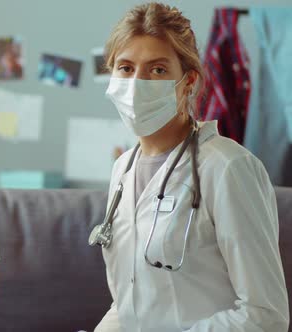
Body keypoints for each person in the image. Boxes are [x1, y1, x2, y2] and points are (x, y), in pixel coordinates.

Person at [91, 3, 289, 331]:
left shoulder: (227, 168)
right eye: (125, 68)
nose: (137, 82)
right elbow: (131, 304)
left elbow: (265, 315)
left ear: (188, 80)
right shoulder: (122, 170)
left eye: (157, 70)